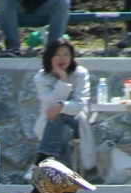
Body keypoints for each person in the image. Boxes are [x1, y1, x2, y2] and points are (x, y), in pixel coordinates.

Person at [32, 38, 96, 171]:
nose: (63, 58)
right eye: (58, 55)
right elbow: (49, 102)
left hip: (76, 118)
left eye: (67, 54)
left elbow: (79, 104)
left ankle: (43, 154)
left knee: (59, 114)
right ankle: (65, 171)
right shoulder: (41, 78)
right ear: (50, 57)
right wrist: (63, 79)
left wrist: (61, 106)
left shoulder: (80, 74)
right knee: (64, 131)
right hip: (49, 121)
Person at [0, 0, 70, 56]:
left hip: (44, 6)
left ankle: (53, 50)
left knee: (62, 2)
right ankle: (13, 49)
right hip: (17, 5)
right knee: (3, 1)